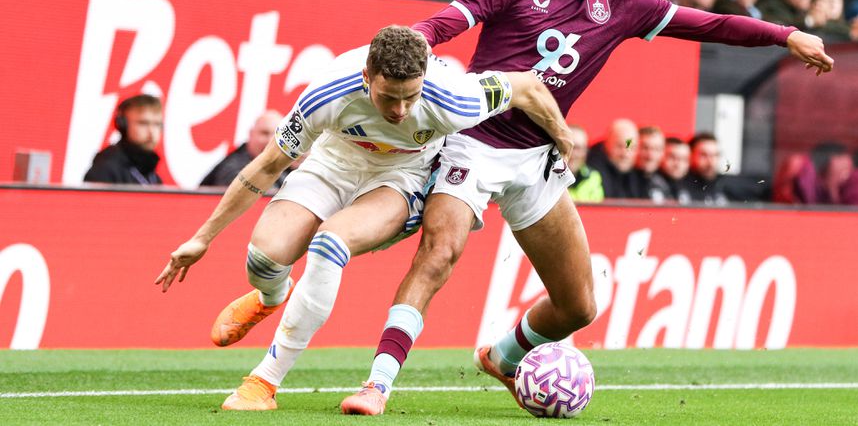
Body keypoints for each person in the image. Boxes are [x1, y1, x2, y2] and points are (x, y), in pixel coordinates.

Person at [339, 0, 833, 416]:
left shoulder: (621, 2)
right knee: (439, 254)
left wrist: (786, 34)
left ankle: (501, 357)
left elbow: (711, 24)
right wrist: (406, 48)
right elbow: (447, 21)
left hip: (538, 158)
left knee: (578, 306)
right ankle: (376, 384)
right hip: (472, 144)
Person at [155, 25, 575, 411]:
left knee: (329, 245)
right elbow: (264, 167)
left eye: (411, 96)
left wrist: (561, 133)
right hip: (331, 166)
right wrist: (203, 237)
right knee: (264, 261)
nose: (401, 110)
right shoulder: (327, 94)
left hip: (400, 178)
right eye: (389, 97)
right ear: (365, 78)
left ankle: (263, 383)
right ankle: (272, 296)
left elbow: (528, 87)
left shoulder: (454, 96)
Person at [84, 94, 164, 185]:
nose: (152, 132)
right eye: (143, 123)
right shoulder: (106, 168)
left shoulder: (152, 175)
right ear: (123, 125)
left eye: (157, 124)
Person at [200, 110, 287, 187]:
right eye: (264, 133)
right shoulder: (232, 168)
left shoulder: (285, 167)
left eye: (276, 135)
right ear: (251, 134)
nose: (270, 140)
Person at [681, 132, 729, 205]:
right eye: (704, 155)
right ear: (690, 156)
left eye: (715, 155)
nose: (710, 162)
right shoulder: (678, 186)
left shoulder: (724, 185)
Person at [566, 124, 603, 202]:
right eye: (569, 146)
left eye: (578, 148)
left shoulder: (593, 177)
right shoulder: (545, 175)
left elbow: (597, 210)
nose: (573, 154)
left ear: (585, 152)